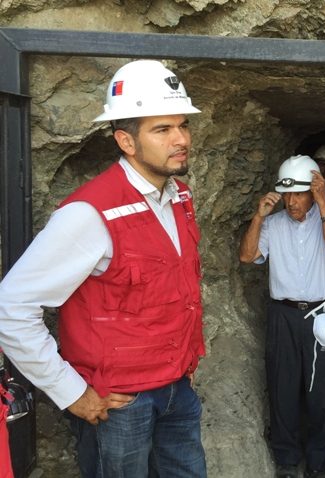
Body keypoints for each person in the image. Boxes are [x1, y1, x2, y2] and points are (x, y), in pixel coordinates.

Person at [0, 59, 207, 477]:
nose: (181, 138)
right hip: (120, 405)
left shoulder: (179, 196)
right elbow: (11, 306)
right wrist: (72, 393)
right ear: (126, 142)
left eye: (182, 125)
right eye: (162, 129)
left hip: (177, 391)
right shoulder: (89, 214)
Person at [239, 155, 325, 478]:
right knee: (283, 388)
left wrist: (323, 201)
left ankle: (317, 464)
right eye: (287, 194)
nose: (291, 201)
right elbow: (247, 257)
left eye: (298, 194)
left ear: (311, 193)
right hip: (283, 316)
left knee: (322, 394)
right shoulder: (272, 224)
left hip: (324, 313)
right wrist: (258, 218)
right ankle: (287, 461)